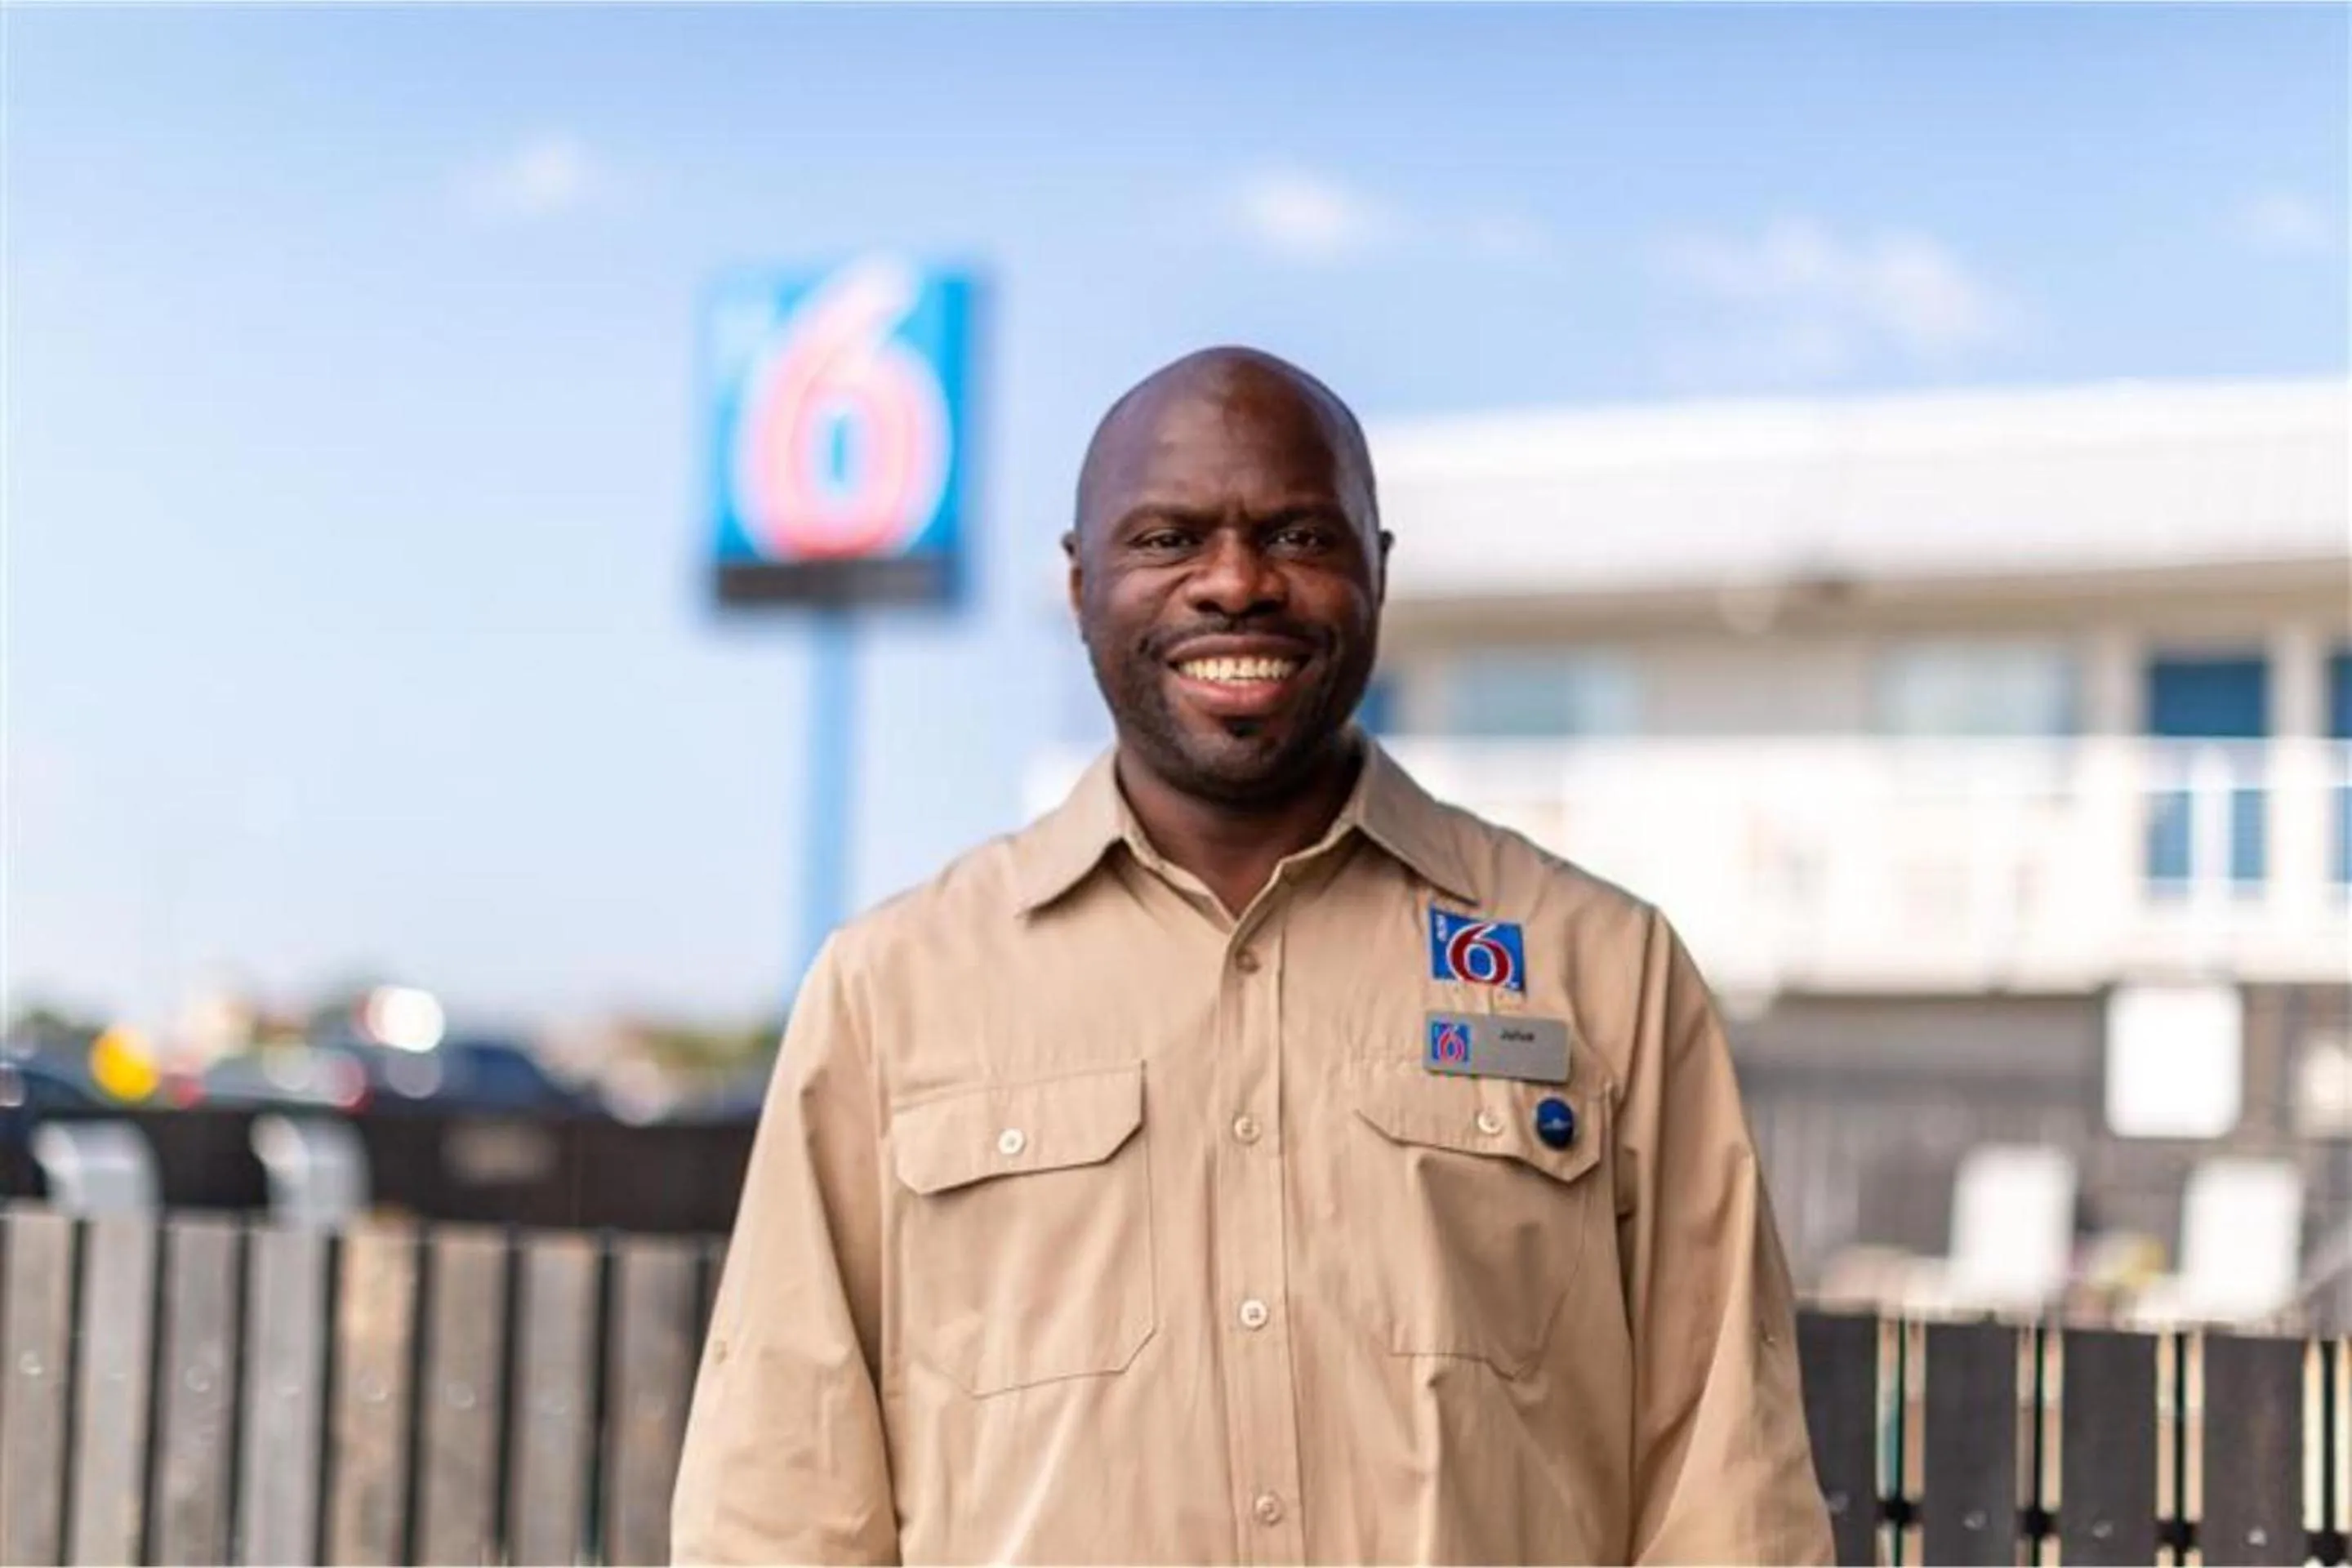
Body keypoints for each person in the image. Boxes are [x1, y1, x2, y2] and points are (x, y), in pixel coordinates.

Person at [671, 347, 1835, 1566]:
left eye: (1298, 535)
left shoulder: (1603, 970)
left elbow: (1726, 1482)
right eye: (1168, 540)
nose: (1236, 583)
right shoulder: (892, 992)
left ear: (1377, 569)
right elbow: (780, 1489)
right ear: (1079, 587)